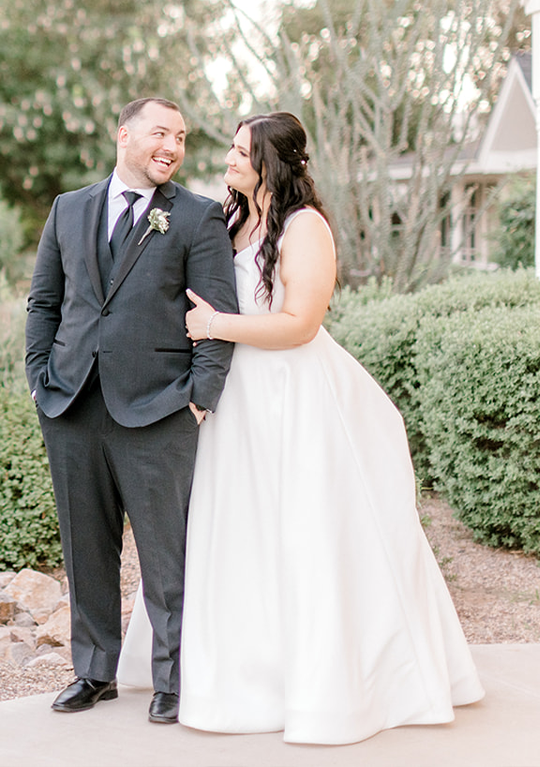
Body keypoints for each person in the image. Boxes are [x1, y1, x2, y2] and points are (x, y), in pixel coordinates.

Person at [118, 111, 484, 745]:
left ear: (271, 162)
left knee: (303, 534)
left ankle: (322, 686)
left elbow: (300, 323)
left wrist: (216, 328)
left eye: (240, 152)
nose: (228, 160)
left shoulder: (304, 226)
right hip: (234, 400)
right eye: (231, 150)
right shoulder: (229, 221)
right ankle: (233, 674)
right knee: (234, 529)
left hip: (294, 396)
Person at [25, 97, 238, 723]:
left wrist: (201, 397)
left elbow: (217, 318)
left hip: (158, 409)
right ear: (125, 135)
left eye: (180, 136)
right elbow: (44, 302)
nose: (171, 146)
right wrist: (41, 380)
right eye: (159, 133)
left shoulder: (198, 218)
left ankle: (173, 679)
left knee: (166, 553)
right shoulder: (68, 209)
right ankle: (94, 672)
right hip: (72, 405)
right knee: (84, 547)